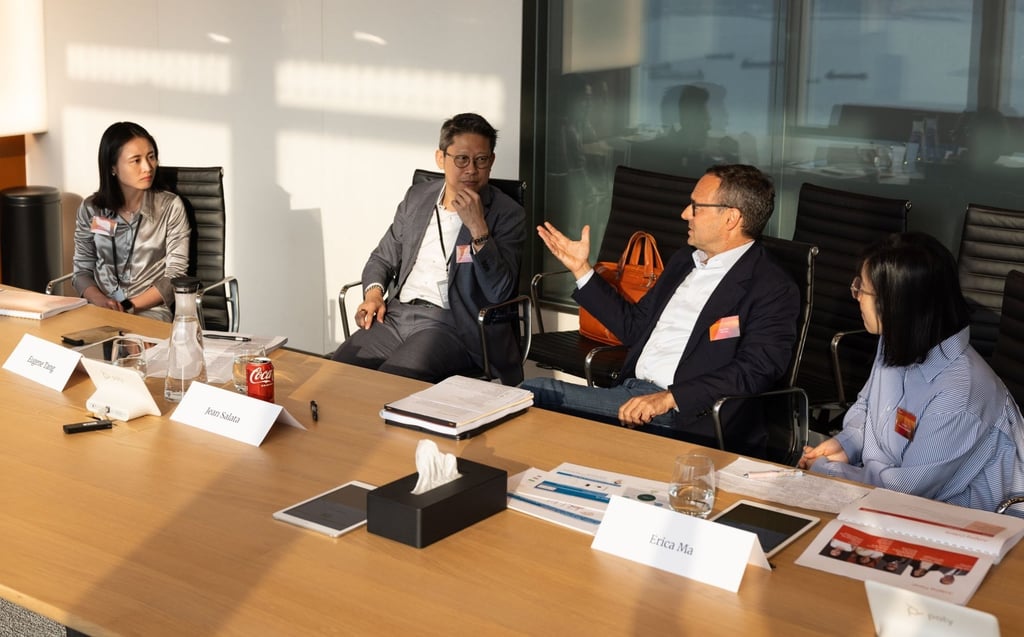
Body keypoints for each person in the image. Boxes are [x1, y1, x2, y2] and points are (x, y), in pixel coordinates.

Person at [521, 164, 800, 457]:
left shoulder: (771, 286)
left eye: (696, 207)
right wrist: (581, 269)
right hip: (629, 391)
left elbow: (755, 370)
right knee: (524, 400)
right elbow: (634, 328)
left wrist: (668, 399)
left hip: (686, 413)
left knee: (536, 392)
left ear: (731, 218)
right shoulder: (685, 261)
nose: (684, 214)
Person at [799, 232, 1024, 516]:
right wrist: (847, 444)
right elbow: (868, 406)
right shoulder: (897, 339)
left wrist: (828, 471)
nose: (855, 296)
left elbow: (906, 491)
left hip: (970, 520)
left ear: (898, 306)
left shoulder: (959, 394)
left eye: (862, 289)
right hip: (887, 501)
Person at [332, 113, 526, 384]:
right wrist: (374, 294)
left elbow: (500, 291)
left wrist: (479, 229)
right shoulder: (417, 198)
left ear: (491, 161)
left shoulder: (507, 214)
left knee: (393, 380)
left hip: (452, 324)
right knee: (339, 371)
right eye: (461, 159)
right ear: (440, 158)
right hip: (396, 315)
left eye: (481, 160)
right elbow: (382, 258)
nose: (471, 169)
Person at [72, 121, 191, 322]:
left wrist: (128, 306)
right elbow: (82, 270)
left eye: (151, 157)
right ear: (113, 167)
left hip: (150, 312)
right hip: (100, 311)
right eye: (136, 160)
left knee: (131, 348)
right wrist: (101, 301)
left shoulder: (171, 207)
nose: (148, 167)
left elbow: (175, 277)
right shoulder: (91, 209)